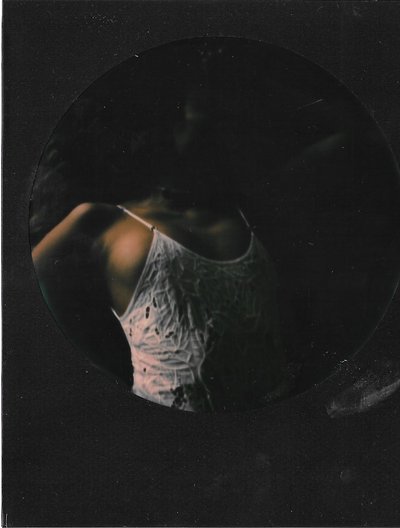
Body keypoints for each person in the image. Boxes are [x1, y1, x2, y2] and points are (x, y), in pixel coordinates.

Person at [32, 92, 287, 412]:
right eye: (198, 110)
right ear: (162, 129)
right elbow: (19, 284)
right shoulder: (100, 221)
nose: (214, 125)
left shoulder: (249, 211)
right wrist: (94, 366)